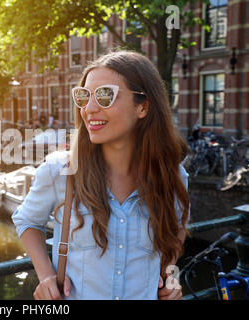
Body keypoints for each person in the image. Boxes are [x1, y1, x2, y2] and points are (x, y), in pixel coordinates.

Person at [12, 50, 190, 300]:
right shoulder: (60, 171)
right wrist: (46, 275)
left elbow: (178, 225)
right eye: (84, 97)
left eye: (105, 96)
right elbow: (27, 220)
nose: (89, 109)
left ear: (143, 106)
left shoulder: (173, 177)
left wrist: (168, 274)